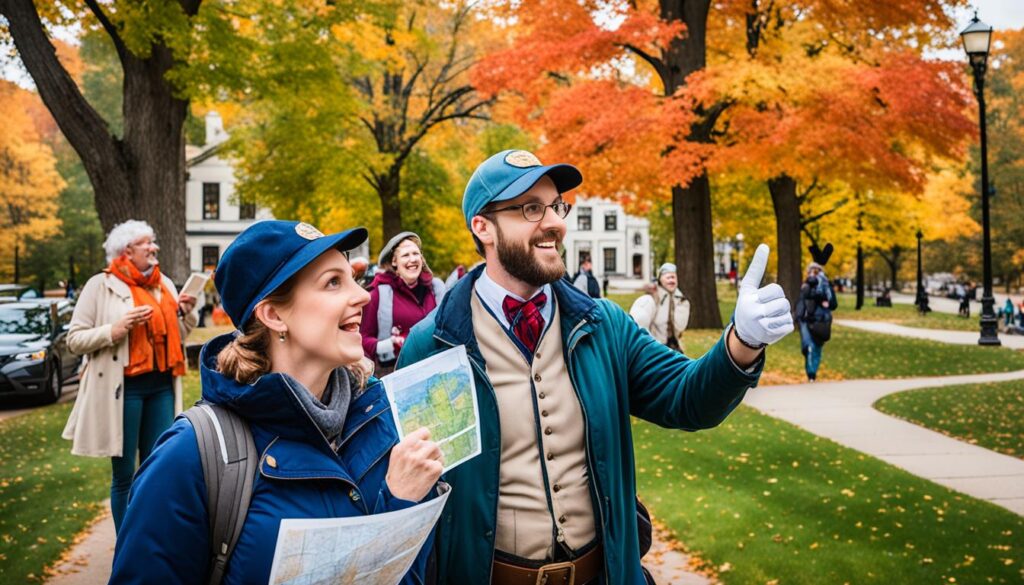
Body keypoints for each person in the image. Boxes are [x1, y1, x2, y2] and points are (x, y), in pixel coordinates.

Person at [397, 149, 794, 584]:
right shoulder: (433, 345)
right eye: (531, 208)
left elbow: (688, 398)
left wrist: (742, 342)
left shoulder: (603, 326)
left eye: (556, 206)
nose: (554, 223)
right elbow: (416, 498)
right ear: (483, 227)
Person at [108, 221, 443, 584]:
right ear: (273, 315)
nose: (362, 296)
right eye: (333, 282)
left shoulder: (378, 417)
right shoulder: (190, 455)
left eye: (352, 279)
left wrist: (402, 503)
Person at [61, 220, 197, 532]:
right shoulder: (101, 284)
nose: (154, 248)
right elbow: (74, 339)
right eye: (146, 243)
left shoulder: (164, 286)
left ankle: (149, 540)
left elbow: (179, 336)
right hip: (124, 390)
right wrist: (115, 329)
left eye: (153, 242)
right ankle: (126, 549)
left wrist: (184, 313)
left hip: (162, 386)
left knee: (155, 469)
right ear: (127, 250)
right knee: (124, 475)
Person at [360, 231, 446, 375]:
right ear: (394, 262)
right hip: (396, 372)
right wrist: (389, 345)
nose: (412, 259)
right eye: (406, 255)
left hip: (436, 369)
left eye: (416, 254)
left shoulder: (436, 289)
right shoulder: (377, 294)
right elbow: (362, 339)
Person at [629, 262, 691, 351]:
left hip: (674, 348)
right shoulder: (650, 299)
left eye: (673, 277)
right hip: (654, 348)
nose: (671, 280)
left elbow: (680, 327)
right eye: (668, 277)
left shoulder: (681, 301)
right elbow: (638, 327)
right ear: (660, 279)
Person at [796, 262, 835, 382]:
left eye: (817, 271)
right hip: (807, 320)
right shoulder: (806, 286)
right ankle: (811, 373)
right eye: (812, 271)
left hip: (822, 321)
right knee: (808, 346)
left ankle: (812, 373)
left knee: (817, 348)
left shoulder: (826, 286)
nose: (814, 274)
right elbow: (803, 299)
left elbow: (833, 304)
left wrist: (825, 296)